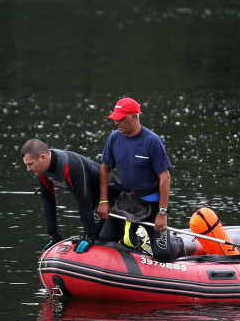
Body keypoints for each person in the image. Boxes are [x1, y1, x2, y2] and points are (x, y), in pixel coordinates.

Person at [96, 97, 180, 262]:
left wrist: (162, 213)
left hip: (151, 205)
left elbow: (165, 178)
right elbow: (105, 168)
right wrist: (103, 201)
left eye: (121, 118)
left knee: (163, 255)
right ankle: (135, 240)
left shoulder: (152, 141)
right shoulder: (114, 138)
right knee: (103, 242)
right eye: (115, 119)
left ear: (134, 117)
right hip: (127, 202)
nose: (116, 122)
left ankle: (178, 242)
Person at [21, 139, 118, 254]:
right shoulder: (42, 170)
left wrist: (89, 235)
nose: (28, 169)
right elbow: (48, 200)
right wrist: (54, 235)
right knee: (93, 236)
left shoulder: (71, 165)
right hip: (93, 203)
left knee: (100, 240)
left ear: (43, 157)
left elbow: (83, 199)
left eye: (30, 164)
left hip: (111, 199)